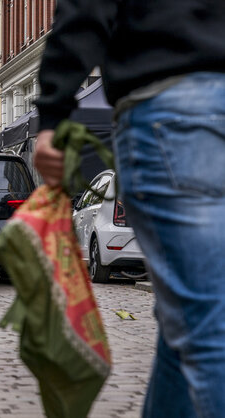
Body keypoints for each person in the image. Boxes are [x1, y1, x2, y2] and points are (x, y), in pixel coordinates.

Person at [32, 2, 225, 416]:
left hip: (172, 107)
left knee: (205, 324)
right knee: (188, 318)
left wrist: (52, 114)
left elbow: (86, 9)